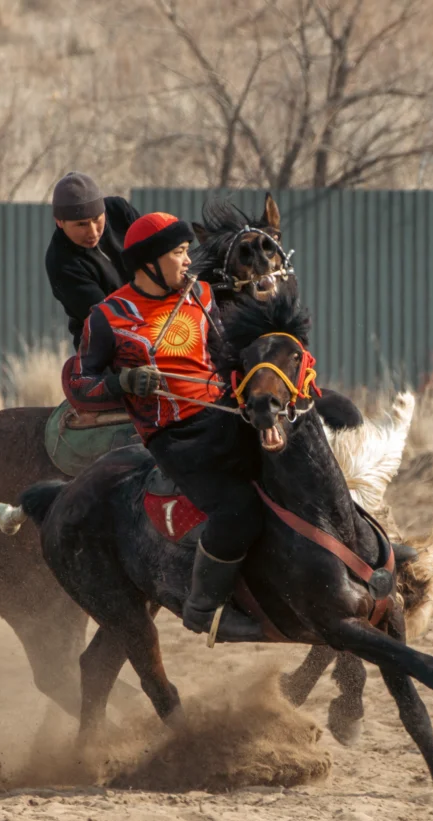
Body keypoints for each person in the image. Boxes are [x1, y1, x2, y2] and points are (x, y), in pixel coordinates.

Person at [66, 212, 265, 642]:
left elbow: (229, 356)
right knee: (236, 508)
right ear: (150, 262)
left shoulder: (203, 296)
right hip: (174, 437)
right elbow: (78, 382)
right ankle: (204, 609)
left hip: (224, 418)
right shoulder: (107, 316)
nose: (189, 261)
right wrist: (123, 382)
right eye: (179, 252)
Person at [44, 172, 140, 351]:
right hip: (105, 347)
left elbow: (159, 253)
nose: (93, 232)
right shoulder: (61, 263)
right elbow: (108, 318)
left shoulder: (119, 211)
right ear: (59, 222)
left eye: (97, 219)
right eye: (81, 224)